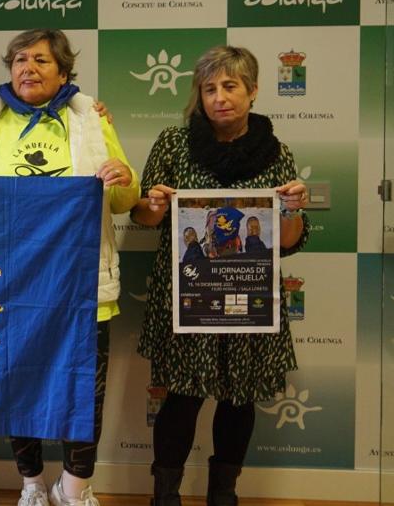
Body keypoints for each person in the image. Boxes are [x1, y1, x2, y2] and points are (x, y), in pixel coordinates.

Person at [0, 28, 139, 506]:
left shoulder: (92, 119)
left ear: (63, 72)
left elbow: (123, 200)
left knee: (84, 392)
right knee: (20, 384)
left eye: (40, 60)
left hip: (80, 285)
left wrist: (123, 179)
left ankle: (75, 490)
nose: (27, 68)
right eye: (18, 59)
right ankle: (33, 485)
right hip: (12, 282)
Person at [130, 45, 309, 506]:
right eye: (209, 88)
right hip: (191, 294)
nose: (219, 97)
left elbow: (287, 240)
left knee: (239, 399)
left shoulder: (276, 152)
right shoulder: (173, 141)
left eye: (230, 86)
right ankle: (164, 495)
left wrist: (291, 209)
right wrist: (152, 204)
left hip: (250, 296)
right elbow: (145, 219)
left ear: (252, 91)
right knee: (183, 398)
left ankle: (223, 494)